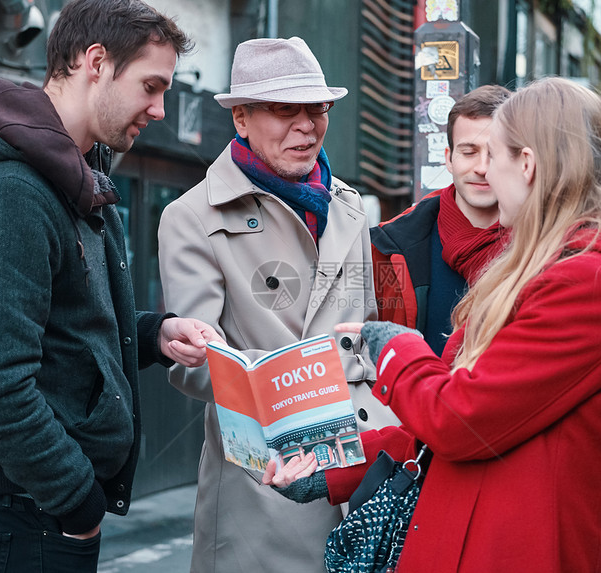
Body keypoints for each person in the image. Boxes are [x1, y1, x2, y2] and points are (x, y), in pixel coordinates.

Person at [265, 77, 601, 572]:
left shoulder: (588, 285)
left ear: (526, 163)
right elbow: (447, 427)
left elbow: (457, 418)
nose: (483, 173)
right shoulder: (554, 269)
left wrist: (395, 347)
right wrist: (334, 464)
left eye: (495, 156)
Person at [0, 2, 220, 572]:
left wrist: (154, 333)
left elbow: (60, 329)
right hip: (18, 510)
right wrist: (78, 504)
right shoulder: (7, 192)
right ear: (96, 62)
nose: (160, 110)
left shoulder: (74, 181)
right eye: (151, 86)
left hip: (33, 506)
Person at [157, 36, 400, 572]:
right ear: (240, 119)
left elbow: (372, 330)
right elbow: (192, 367)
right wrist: (292, 384)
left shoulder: (350, 209)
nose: (307, 125)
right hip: (261, 490)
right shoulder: (192, 217)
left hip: (359, 480)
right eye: (284, 110)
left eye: (318, 109)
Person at [371, 85, 511, 355]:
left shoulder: (547, 243)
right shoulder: (389, 245)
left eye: (495, 154)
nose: (482, 168)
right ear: (448, 159)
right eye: (469, 152)